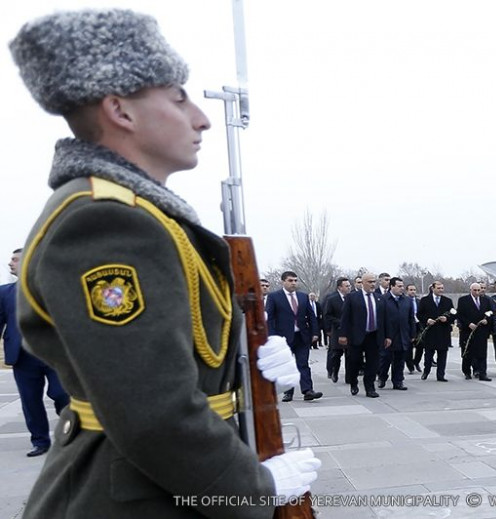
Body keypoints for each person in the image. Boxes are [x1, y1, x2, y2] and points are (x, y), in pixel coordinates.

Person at [9, 9, 319, 516]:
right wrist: (251, 488)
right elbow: (151, 408)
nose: (200, 118)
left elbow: (163, 358)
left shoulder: (142, 214)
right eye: (178, 98)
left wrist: (243, 361)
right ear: (121, 111)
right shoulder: (106, 222)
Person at [0, 249, 69, 457]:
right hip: (22, 356)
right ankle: (40, 441)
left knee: (61, 394)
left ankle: (69, 434)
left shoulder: (51, 287)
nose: (10, 263)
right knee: (30, 401)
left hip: (53, 353)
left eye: (15, 259)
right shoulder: (4, 292)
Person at [266, 272, 322, 402]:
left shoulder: (303, 297)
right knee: (286, 365)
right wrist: (272, 336)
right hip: (283, 337)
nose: (293, 283)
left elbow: (311, 316)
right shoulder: (274, 297)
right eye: (290, 280)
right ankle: (288, 392)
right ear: (283, 282)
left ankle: (308, 390)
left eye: (295, 280)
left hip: (301, 336)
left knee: (303, 364)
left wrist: (315, 333)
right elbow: (270, 318)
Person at [339, 272, 382, 397]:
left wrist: (387, 336)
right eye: (369, 282)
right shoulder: (352, 297)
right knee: (354, 361)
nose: (372, 284)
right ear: (362, 283)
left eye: (374, 282)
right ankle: (353, 382)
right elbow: (345, 317)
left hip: (373, 335)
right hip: (356, 335)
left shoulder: (379, 298)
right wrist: (343, 334)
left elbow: (384, 319)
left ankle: (370, 387)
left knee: (373, 363)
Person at [377, 277, 415, 390]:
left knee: (400, 360)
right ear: (392, 286)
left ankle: (398, 381)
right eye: (399, 286)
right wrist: (383, 336)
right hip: (388, 336)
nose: (402, 288)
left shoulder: (407, 300)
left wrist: (412, 334)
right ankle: (382, 377)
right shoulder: (383, 299)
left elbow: (411, 319)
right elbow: (380, 319)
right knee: (385, 359)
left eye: (402, 286)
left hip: (403, 335)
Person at [417, 281, 455, 382]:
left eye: (442, 288)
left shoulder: (447, 301)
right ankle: (426, 371)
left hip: (443, 331)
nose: (441, 290)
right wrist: (427, 320)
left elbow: (454, 314)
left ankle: (440, 375)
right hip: (430, 331)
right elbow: (419, 314)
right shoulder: (425, 300)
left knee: (442, 354)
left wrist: (447, 319)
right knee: (428, 354)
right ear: (433, 288)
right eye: (438, 288)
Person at [457, 283, 493, 381]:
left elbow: (490, 313)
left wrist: (487, 320)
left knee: (482, 353)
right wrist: (468, 324)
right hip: (468, 331)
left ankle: (482, 374)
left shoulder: (485, 300)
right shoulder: (463, 300)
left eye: (478, 290)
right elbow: (460, 315)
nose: (477, 292)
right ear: (471, 290)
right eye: (475, 290)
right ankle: (467, 372)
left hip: (481, 331)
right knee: (468, 353)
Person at [323, 277, 351, 382]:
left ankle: (349, 376)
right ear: (340, 287)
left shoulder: (352, 298)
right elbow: (327, 315)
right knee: (336, 354)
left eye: (349, 286)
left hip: (350, 331)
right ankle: (334, 372)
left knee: (350, 355)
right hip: (337, 330)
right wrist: (339, 322)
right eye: (346, 286)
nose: (349, 288)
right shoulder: (332, 299)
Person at [404, 283, 424, 373]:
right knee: (409, 347)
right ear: (407, 291)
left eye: (414, 290)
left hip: (418, 325)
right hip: (408, 326)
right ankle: (410, 366)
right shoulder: (404, 301)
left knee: (420, 345)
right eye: (411, 290)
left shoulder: (419, 301)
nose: (413, 292)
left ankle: (416, 362)